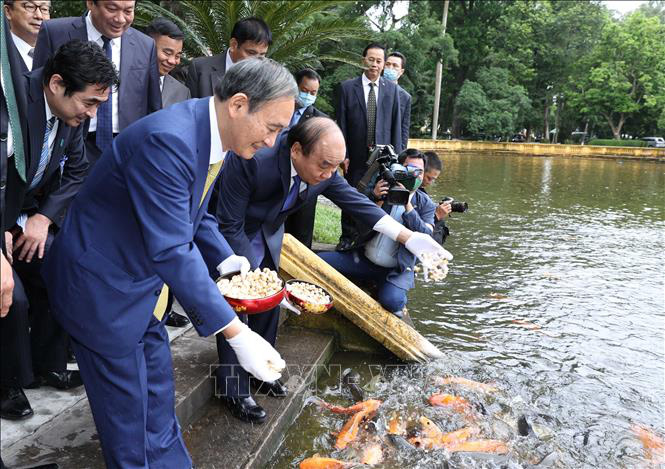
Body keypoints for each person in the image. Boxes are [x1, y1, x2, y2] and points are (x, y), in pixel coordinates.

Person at [41, 58, 296, 469]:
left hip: (144, 292)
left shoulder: (214, 135)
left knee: (158, 406)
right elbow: (172, 249)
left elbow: (193, 213)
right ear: (238, 104)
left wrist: (224, 255)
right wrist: (236, 334)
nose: (271, 143)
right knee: (127, 425)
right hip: (103, 292)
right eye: (271, 128)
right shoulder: (169, 140)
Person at [215, 117, 448, 422]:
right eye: (324, 165)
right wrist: (253, 278)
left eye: (334, 167)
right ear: (296, 150)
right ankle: (233, 387)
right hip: (230, 230)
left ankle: (262, 368)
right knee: (241, 303)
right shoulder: (254, 159)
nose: (328, 174)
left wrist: (409, 237)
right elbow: (228, 224)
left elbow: (357, 204)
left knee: (270, 306)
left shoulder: (324, 169)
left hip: (268, 231)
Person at [2, 40, 117, 422]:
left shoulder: (68, 118)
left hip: (28, 217)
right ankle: (8, 382)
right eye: (89, 103)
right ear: (55, 84)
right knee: (12, 298)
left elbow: (78, 171)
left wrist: (43, 218)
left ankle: (47, 363)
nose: (92, 113)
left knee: (63, 267)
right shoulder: (12, 104)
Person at [33, 0, 161, 165]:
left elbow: (153, 107)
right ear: (90, 3)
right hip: (65, 145)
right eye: (112, 9)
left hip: (125, 150)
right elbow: (37, 92)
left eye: (128, 11)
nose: (120, 19)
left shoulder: (145, 44)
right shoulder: (55, 32)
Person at [320, 148, 436, 322]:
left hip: (395, 269)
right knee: (320, 262)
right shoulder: (382, 188)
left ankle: (396, 289)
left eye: (419, 171)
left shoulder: (426, 204)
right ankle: (370, 279)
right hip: (363, 259)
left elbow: (425, 235)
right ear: (397, 168)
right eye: (409, 169)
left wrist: (407, 205)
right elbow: (354, 217)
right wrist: (374, 197)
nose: (415, 175)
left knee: (392, 301)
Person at [335, 43, 402, 251]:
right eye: (371, 59)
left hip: (382, 156)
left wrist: (396, 159)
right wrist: (342, 154)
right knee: (351, 194)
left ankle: (368, 239)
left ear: (383, 64)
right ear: (363, 60)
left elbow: (396, 125)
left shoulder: (392, 91)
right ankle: (347, 237)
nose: (374, 64)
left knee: (377, 196)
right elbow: (341, 123)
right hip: (355, 154)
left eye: (379, 61)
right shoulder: (347, 88)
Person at [284, 68, 328, 249]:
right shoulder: (279, 107)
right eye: (305, 90)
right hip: (275, 179)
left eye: (313, 93)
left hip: (303, 186)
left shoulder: (320, 121)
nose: (308, 95)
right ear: (296, 87)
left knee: (300, 237)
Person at [186, 16, 271, 99]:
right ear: (234, 44)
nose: (257, 60)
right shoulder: (200, 68)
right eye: (251, 53)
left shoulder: (268, 78)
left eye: (262, 54)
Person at [145, 17, 190, 109]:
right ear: (147, 47)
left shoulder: (182, 92)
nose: (172, 61)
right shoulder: (125, 78)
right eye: (167, 53)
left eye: (177, 56)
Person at [2, 0, 50, 72]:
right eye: (30, 6)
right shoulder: (3, 52)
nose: (39, 16)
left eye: (44, 9)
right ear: (8, 12)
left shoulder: (56, 53)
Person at [421, 151, 451, 244]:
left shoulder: (422, 195)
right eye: (428, 178)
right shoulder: (409, 195)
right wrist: (437, 216)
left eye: (433, 180)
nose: (429, 182)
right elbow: (419, 232)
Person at [384, 51, 411, 149]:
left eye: (395, 65)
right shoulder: (373, 88)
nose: (390, 68)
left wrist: (402, 154)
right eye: (387, 64)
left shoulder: (405, 97)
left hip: (392, 148)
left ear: (401, 71)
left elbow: (404, 129)